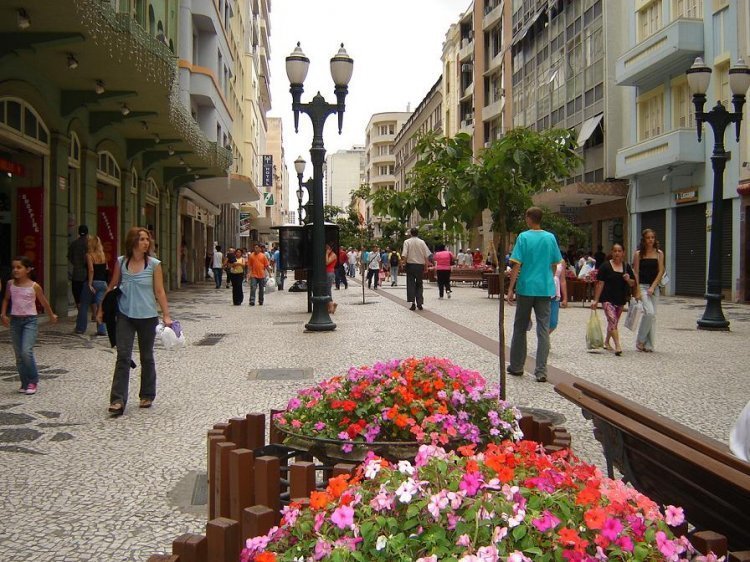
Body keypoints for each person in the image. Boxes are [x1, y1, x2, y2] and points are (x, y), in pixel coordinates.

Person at [97, 227, 171, 415]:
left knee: (146, 356)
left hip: (147, 316)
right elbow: (112, 285)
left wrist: (166, 314)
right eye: (142, 239)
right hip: (125, 315)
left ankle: (147, 394)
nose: (146, 242)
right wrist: (101, 309)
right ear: (133, 242)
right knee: (123, 355)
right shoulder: (121, 262)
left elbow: (160, 291)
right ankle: (117, 400)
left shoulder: (154, 264)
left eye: (147, 239)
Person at [506, 207, 562, 382]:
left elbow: (516, 265)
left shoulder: (523, 237)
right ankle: (541, 371)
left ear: (529, 218)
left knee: (520, 327)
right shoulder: (550, 238)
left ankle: (516, 366)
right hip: (545, 289)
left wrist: (510, 289)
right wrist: (550, 278)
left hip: (526, 287)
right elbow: (555, 263)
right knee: (543, 329)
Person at [1, 256, 58, 395]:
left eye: (19, 267)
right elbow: (6, 299)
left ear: (27, 270)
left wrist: (51, 315)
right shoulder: (10, 284)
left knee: (26, 351)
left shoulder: (34, 286)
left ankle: (33, 380)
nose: (15, 270)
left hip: (30, 322)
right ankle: (24, 382)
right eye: (14, 267)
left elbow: (44, 301)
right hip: (15, 321)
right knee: (19, 355)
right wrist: (3, 314)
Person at [591, 243, 637, 356]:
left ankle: (606, 342)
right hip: (607, 298)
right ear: (612, 252)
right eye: (615, 251)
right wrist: (596, 300)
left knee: (613, 322)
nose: (617, 253)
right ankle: (617, 345)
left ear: (623, 253)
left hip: (620, 299)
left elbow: (633, 283)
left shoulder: (626, 267)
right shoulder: (605, 266)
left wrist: (628, 279)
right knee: (612, 320)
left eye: (619, 251)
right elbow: (600, 283)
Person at [632, 228, 665, 352]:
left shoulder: (659, 253)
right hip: (642, 286)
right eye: (648, 238)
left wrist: (653, 286)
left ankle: (649, 344)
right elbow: (636, 272)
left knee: (652, 316)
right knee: (649, 312)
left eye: (652, 237)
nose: (651, 240)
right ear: (644, 240)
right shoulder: (638, 254)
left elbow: (661, 270)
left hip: (654, 287)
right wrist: (637, 291)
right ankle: (640, 340)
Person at [75, 235, 108, 336]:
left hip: (92, 282)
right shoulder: (103, 255)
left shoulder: (89, 255)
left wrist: (89, 283)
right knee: (100, 306)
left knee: (84, 305)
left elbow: (91, 269)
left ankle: (81, 328)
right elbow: (106, 269)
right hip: (103, 283)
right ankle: (102, 329)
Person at [402, 228, 431, 311]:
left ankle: (413, 303)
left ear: (411, 233)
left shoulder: (407, 242)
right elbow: (426, 255)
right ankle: (420, 303)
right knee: (419, 284)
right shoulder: (422, 242)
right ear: (417, 233)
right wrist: (426, 266)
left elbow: (404, 254)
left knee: (411, 284)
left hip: (410, 265)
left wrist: (403, 263)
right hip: (420, 266)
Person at [68, 224, 89, 311]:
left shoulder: (74, 244)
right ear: (87, 233)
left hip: (76, 273)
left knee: (77, 295)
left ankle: (80, 311)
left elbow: (69, 257)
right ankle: (91, 313)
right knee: (86, 296)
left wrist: (76, 263)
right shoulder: (88, 244)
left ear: (79, 233)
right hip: (87, 274)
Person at [549, 260, 568, 334]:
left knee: (553, 323)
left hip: (556, 293)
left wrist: (565, 298)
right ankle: (543, 342)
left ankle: (543, 340)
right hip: (544, 292)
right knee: (544, 321)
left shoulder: (562, 261)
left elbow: (563, 280)